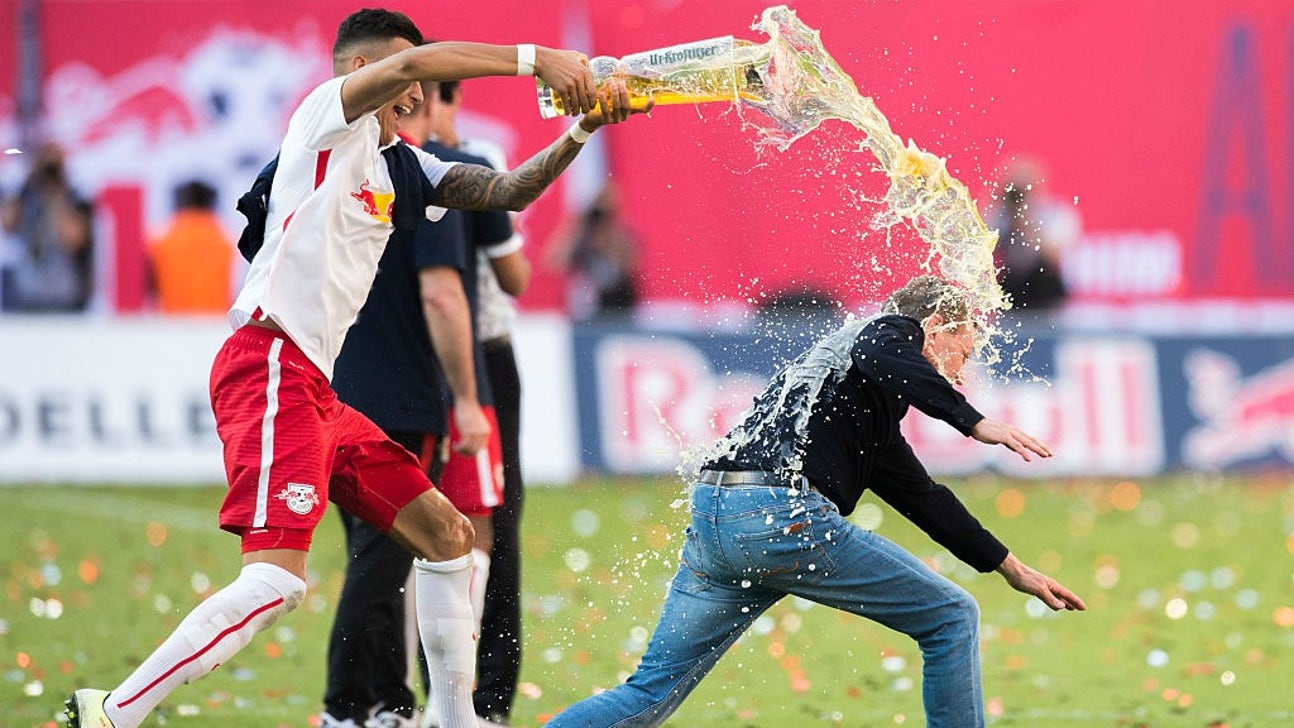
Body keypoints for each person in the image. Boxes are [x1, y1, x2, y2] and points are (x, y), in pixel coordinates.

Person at [63, 8, 648, 728]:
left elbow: (508, 192)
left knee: (447, 536)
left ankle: (454, 721)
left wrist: (583, 129)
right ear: (357, 72)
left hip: (318, 389)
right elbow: (408, 67)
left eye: (425, 82)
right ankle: (112, 713)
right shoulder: (322, 119)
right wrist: (537, 59)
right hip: (269, 364)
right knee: (275, 584)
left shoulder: (403, 165)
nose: (421, 94)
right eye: (408, 76)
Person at [548, 275, 1086, 728]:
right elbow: (885, 345)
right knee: (951, 616)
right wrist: (974, 421)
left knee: (647, 698)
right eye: (963, 352)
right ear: (937, 329)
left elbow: (925, 498)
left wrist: (1010, 567)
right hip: (781, 518)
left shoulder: (858, 402)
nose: (961, 371)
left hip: (716, 518)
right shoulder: (885, 332)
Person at [319, 74, 518, 728]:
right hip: (419, 389)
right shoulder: (439, 177)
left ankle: (396, 704)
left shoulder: (332, 169)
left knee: (384, 552)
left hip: (338, 382)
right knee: (433, 546)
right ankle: (373, 707)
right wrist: (465, 399)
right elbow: (451, 292)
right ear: (423, 102)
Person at [430, 78, 533, 726]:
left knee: (495, 521)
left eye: (423, 100)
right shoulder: (394, 166)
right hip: (437, 358)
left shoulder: (477, 161)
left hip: (484, 353)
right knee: (432, 528)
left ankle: (486, 696)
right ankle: (443, 695)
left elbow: (511, 273)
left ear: (451, 102)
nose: (413, 114)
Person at [0, 142, 94, 312]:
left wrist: (56, 194)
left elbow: (73, 239)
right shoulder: (25, 195)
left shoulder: (74, 198)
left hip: (64, 296)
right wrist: (25, 181)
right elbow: (7, 224)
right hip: (26, 292)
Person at [992, 159, 1080, 313]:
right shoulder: (1001, 216)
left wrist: (1027, 223)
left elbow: (1054, 254)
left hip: (1046, 293)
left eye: (1025, 189)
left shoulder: (1056, 213)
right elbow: (983, 245)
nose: (1020, 196)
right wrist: (1004, 207)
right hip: (1013, 292)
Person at [545, 181, 640, 320]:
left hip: (620, 313)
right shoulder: (581, 240)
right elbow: (554, 262)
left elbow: (631, 263)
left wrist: (610, 234)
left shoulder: (622, 236)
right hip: (585, 313)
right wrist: (577, 225)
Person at [147, 179, 235, 314]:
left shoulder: (160, 242)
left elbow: (150, 289)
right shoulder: (230, 242)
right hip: (219, 323)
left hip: (171, 325)